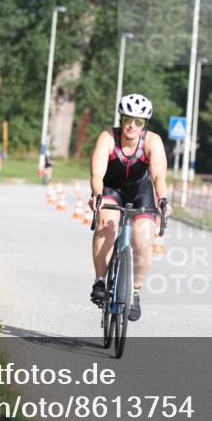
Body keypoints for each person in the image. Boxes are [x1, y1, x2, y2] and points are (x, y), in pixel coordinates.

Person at [89, 94, 169, 321]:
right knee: (106, 225)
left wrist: (163, 199)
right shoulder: (107, 137)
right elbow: (97, 174)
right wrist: (96, 194)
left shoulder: (152, 141)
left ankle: (134, 292)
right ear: (121, 119)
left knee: (143, 243)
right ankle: (100, 281)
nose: (132, 126)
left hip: (140, 191)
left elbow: (158, 176)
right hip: (111, 189)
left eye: (139, 121)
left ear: (145, 125)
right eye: (127, 120)